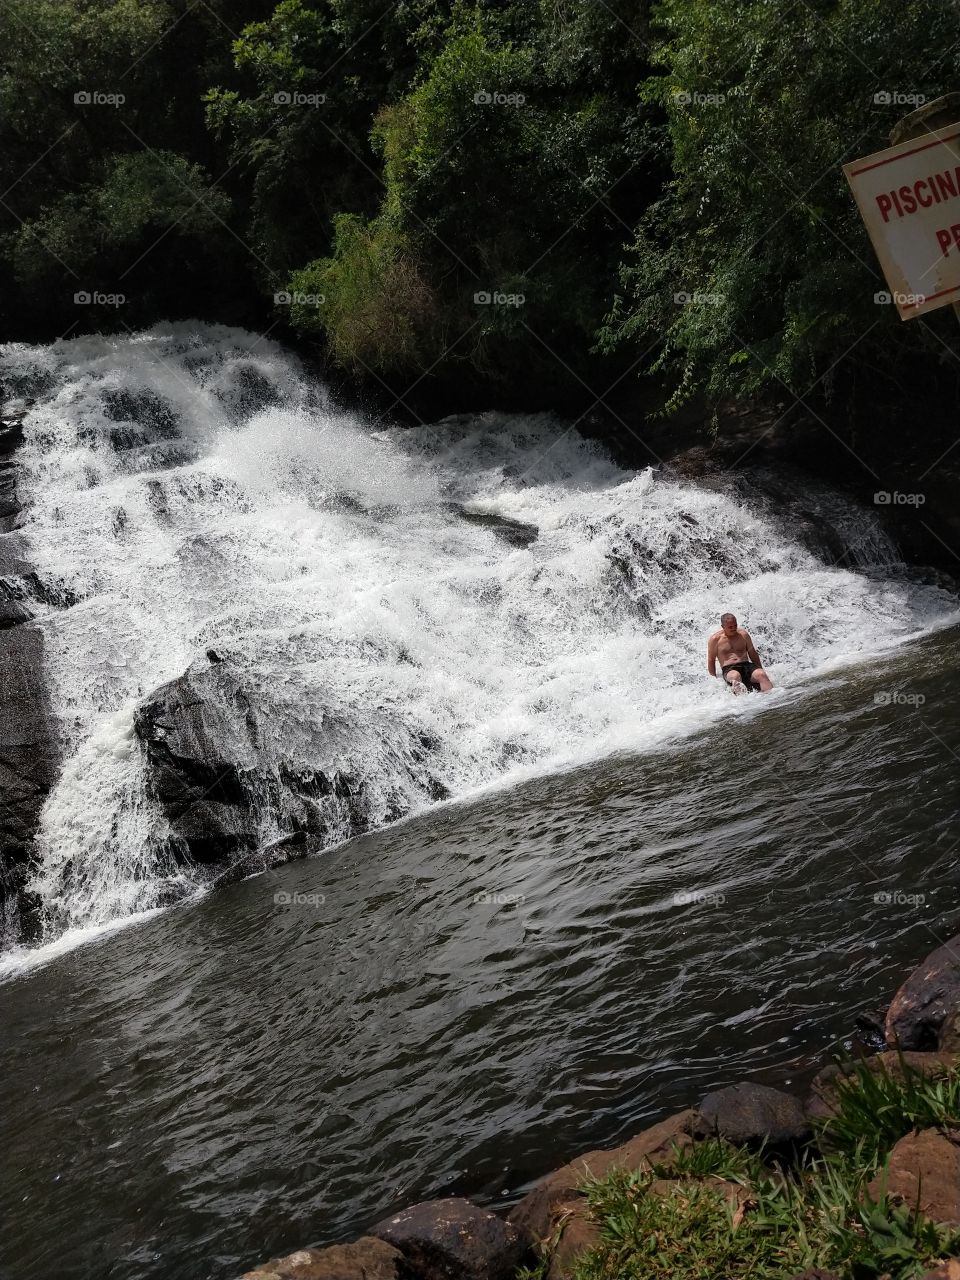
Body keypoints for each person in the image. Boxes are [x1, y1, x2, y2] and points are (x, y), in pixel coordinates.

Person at [707, 613, 773, 693]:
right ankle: (743, 702)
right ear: (723, 627)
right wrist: (714, 681)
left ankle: (772, 698)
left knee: (761, 674)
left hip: (746, 665)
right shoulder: (715, 639)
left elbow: (752, 653)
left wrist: (759, 667)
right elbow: (711, 660)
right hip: (729, 669)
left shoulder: (743, 635)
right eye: (730, 627)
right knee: (735, 676)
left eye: (735, 625)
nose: (734, 628)